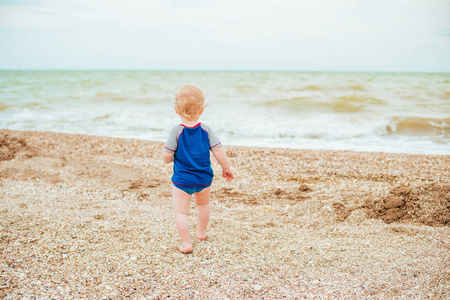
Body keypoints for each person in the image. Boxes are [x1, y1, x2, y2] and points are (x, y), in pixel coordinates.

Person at [162, 85, 234, 253]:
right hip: (204, 178)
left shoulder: (176, 131)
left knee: (181, 212)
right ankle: (201, 233)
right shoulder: (205, 129)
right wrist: (226, 168)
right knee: (203, 205)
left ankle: (187, 244)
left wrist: (168, 157)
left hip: (183, 180)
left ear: (175, 110)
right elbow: (218, 150)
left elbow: (166, 157)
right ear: (201, 111)